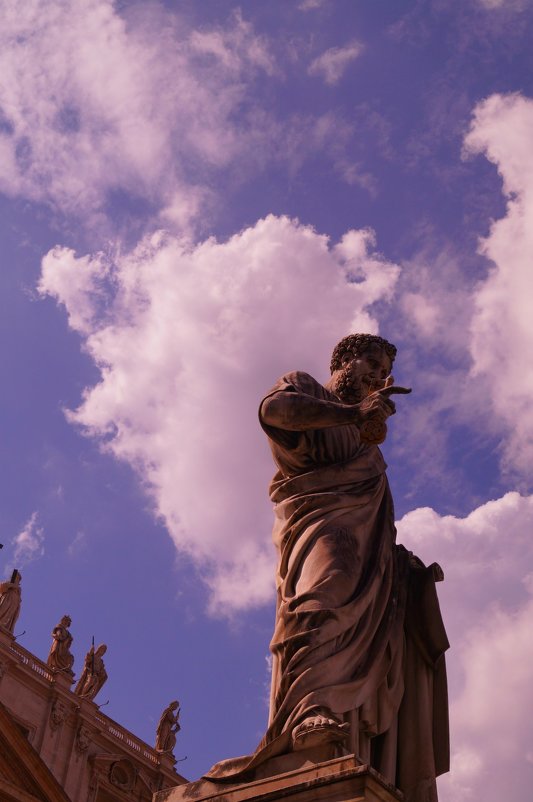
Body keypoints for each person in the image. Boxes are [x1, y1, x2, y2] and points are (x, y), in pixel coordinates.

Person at [206, 334, 449, 802]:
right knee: (322, 595)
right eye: (370, 363)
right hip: (316, 526)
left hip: (370, 558)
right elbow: (274, 413)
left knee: (371, 627)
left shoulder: (367, 452)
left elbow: (379, 527)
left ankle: (340, 728)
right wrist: (353, 414)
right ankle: (305, 713)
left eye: (382, 372)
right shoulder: (305, 389)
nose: (377, 376)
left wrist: (408, 572)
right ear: (343, 361)